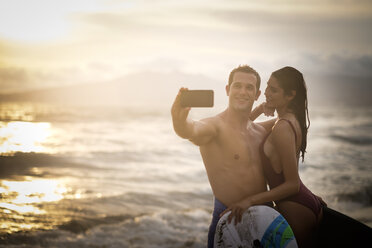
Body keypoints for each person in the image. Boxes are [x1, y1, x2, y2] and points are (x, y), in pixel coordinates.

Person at [171, 65, 275, 248]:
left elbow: (290, 122)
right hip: (230, 221)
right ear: (228, 89)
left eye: (249, 87)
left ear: (257, 94)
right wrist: (179, 119)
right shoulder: (214, 127)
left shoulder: (260, 131)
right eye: (237, 86)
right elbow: (191, 130)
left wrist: (305, 195)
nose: (242, 92)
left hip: (266, 217)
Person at [220, 66, 322, 248]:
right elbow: (241, 128)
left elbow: (292, 184)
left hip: (295, 209)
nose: (266, 93)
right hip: (306, 204)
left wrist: (249, 201)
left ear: (290, 95)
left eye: (273, 90)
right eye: (267, 86)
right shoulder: (289, 120)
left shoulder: (282, 127)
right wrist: (260, 108)